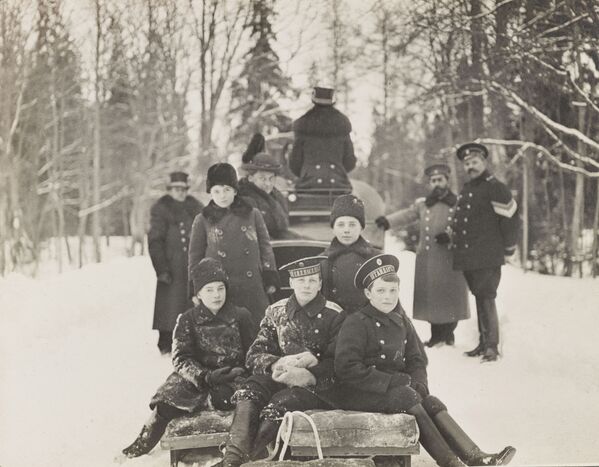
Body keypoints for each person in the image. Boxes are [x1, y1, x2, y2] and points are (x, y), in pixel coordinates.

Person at [334, 254, 516, 467]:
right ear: (368, 293)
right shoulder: (357, 322)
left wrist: (420, 384)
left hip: (396, 390)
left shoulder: (401, 320)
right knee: (406, 396)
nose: (388, 297)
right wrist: (393, 382)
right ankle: (450, 462)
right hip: (360, 392)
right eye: (380, 291)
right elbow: (346, 368)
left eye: (393, 291)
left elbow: (416, 359)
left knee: (431, 401)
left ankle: (476, 456)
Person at [122, 258, 257, 458]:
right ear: (199, 294)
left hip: (231, 379)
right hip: (198, 379)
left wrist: (240, 371)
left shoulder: (241, 316)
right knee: (167, 401)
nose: (217, 295)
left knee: (225, 399)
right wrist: (204, 377)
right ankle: (139, 448)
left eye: (220, 288)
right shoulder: (187, 319)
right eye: (209, 290)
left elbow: (253, 352)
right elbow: (181, 358)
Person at [219, 256, 346, 467]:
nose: (307, 285)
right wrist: (276, 363)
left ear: (320, 284)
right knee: (248, 390)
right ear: (291, 282)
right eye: (301, 280)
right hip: (278, 376)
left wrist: (310, 373)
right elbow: (254, 354)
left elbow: (340, 360)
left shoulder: (334, 314)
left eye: (313, 280)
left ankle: (249, 458)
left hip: (314, 386)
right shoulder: (276, 311)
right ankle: (232, 460)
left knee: (279, 404)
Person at [375, 163, 470, 346]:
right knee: (432, 297)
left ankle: (448, 335)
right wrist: (387, 221)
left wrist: (451, 236)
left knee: (450, 296)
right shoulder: (424, 204)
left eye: (440, 180)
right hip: (429, 259)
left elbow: (468, 227)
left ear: (447, 181)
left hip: (450, 258)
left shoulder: (458, 202)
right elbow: (407, 215)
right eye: (433, 181)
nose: (436, 183)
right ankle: (436, 336)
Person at [445, 143, 519, 362]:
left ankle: (492, 347)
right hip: (470, 257)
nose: (470, 166)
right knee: (480, 297)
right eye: (467, 163)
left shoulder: (495, 187)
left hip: (487, 255)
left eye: (474, 162)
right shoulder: (468, 189)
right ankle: (483, 342)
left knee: (487, 297)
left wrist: (509, 248)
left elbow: (511, 220)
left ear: (484, 162)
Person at [189, 162, 279, 324]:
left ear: (235, 191)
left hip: (251, 285)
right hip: (219, 287)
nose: (222, 196)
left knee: (256, 326)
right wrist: (195, 287)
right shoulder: (203, 219)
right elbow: (195, 256)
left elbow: (265, 247)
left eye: (227, 190)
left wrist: (269, 274)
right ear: (210, 192)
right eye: (216, 191)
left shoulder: (252, 214)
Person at [148, 171, 203, 354]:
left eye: (183, 189)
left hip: (191, 264)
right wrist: (161, 268)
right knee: (169, 305)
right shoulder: (161, 209)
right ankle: (165, 342)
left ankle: (190, 341)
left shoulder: (194, 207)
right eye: (176, 189)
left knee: (191, 302)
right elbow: (155, 241)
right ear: (170, 190)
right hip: (171, 265)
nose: (180, 192)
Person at [321, 194, 381, 314]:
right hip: (332, 325)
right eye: (341, 224)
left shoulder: (375, 258)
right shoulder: (322, 260)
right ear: (333, 228)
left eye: (352, 224)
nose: (346, 230)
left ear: (361, 228)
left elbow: (388, 300)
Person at [289, 87, 356, 192]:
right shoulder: (342, 125)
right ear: (332, 100)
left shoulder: (303, 125)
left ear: (313, 99)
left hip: (307, 185)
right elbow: (350, 162)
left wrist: (305, 173)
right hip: (338, 185)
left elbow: (294, 163)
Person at [238, 134, 290, 239]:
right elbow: (252, 237)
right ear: (250, 178)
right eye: (262, 178)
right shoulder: (245, 200)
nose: (268, 183)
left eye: (271, 178)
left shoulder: (277, 197)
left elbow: (282, 232)